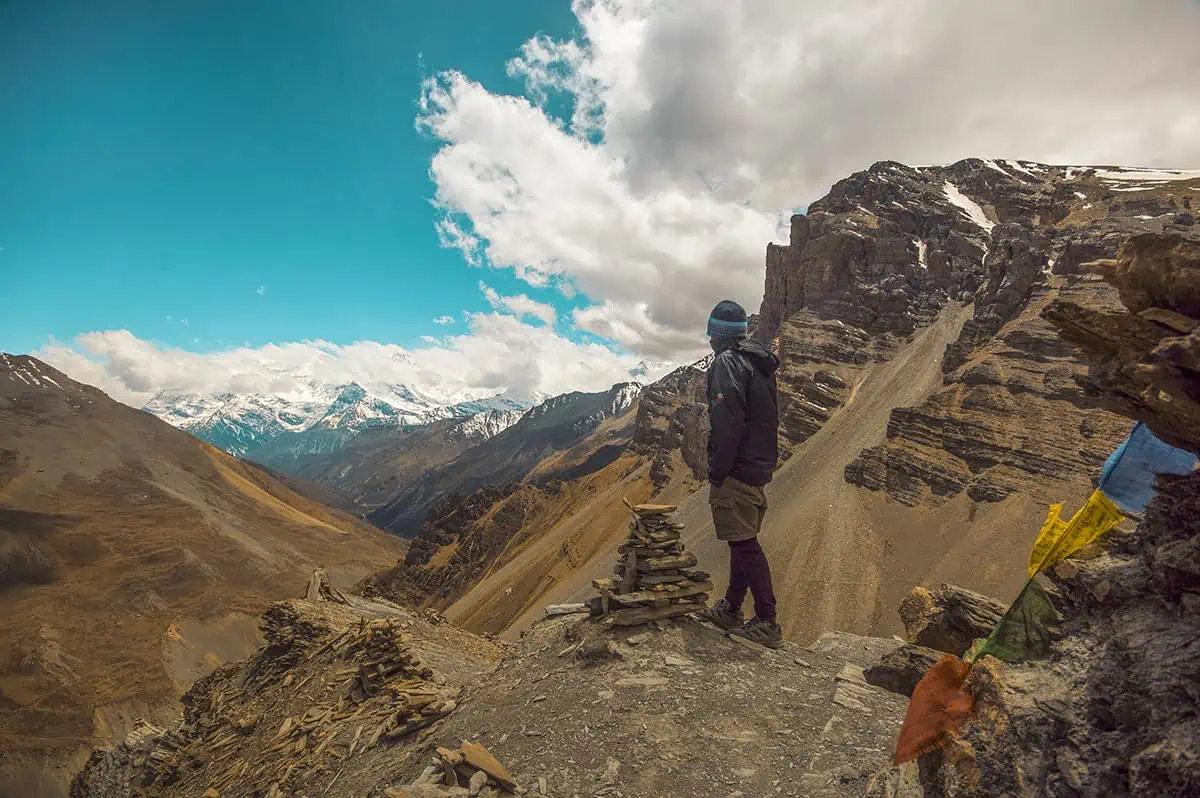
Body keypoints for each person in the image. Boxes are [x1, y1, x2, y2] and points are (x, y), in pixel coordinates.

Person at [696, 299, 783, 647]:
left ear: (718, 335)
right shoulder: (756, 362)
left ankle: (767, 619)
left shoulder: (727, 364)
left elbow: (728, 422)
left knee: (745, 543)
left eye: (712, 334)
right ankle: (732, 607)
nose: (711, 341)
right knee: (740, 537)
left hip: (737, 467)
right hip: (758, 465)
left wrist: (718, 469)